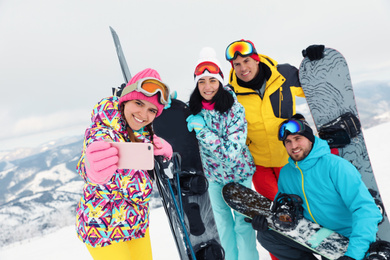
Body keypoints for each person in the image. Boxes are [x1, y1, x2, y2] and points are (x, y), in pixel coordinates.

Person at [249, 114, 382, 260]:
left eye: (298, 139)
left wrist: (353, 255)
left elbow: (367, 211)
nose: (293, 146)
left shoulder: (336, 166)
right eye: (288, 141)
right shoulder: (287, 173)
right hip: (317, 235)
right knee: (267, 236)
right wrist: (269, 222)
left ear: (310, 139)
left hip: (346, 239)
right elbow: (287, 210)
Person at [75, 68, 173, 260]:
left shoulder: (143, 133)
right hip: (103, 229)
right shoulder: (103, 129)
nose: (143, 114)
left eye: (151, 110)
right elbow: (89, 157)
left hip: (135, 224)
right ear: (125, 99)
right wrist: (91, 169)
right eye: (138, 103)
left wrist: (165, 152)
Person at [225, 40, 325, 201]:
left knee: (304, 203)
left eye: (246, 61)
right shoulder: (230, 94)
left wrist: (316, 62)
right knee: (276, 212)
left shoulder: (284, 75)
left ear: (256, 59)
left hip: (290, 158)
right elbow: (208, 106)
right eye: (236, 64)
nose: (243, 68)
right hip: (259, 164)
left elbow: (314, 89)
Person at [186, 47, 258, 260]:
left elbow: (231, 154)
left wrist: (203, 132)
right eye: (201, 82)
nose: (207, 87)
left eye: (212, 80)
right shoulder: (195, 108)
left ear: (220, 81)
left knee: (243, 227)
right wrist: (168, 107)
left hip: (239, 176)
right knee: (223, 228)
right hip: (215, 179)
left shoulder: (234, 109)